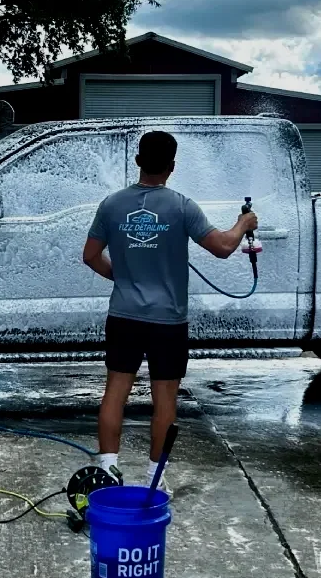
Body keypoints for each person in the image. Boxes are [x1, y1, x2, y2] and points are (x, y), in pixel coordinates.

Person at [82, 130, 259, 496]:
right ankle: (153, 478)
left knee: (115, 393)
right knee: (165, 401)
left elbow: (90, 256)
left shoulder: (112, 205)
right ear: (172, 166)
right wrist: (243, 224)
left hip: (124, 316)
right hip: (168, 322)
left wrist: (123, 275)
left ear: (137, 161)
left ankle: (108, 472)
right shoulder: (181, 206)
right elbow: (224, 248)